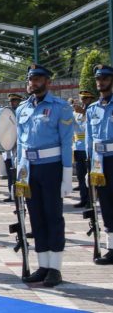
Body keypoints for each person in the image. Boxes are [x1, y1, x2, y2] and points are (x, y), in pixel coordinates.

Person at [17, 64, 74, 287]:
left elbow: (67, 142)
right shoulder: (22, 108)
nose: (34, 82)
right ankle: (42, 265)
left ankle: (55, 268)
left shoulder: (61, 107)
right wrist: (20, 175)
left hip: (52, 168)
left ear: (48, 82)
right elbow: (21, 144)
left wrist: (67, 176)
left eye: (39, 79)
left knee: (53, 216)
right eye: (31, 79)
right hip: (29, 169)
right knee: (36, 217)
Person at [86, 64, 113, 265]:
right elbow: (89, 139)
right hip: (99, 163)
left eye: (104, 78)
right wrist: (89, 167)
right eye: (98, 79)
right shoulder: (92, 109)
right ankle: (111, 247)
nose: (100, 82)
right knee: (106, 205)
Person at [72, 91, 95, 208]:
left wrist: (85, 113)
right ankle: (83, 199)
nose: (84, 101)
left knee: (90, 176)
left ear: (91, 99)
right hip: (78, 148)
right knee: (81, 177)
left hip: (88, 149)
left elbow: (91, 127)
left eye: (86, 99)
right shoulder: (76, 113)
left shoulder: (92, 112)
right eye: (83, 99)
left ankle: (92, 200)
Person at [3, 94, 23, 202]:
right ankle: (11, 195)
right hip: (8, 150)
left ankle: (20, 196)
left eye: (14, 101)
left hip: (18, 149)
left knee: (19, 175)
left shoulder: (22, 114)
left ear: (19, 101)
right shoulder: (6, 115)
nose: (12, 103)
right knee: (10, 175)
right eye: (11, 101)